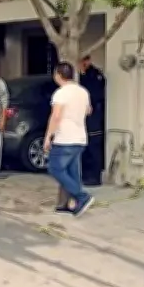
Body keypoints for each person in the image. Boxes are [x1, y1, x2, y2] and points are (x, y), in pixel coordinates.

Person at [44, 61, 95, 217]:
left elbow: (56, 116)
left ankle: (82, 196)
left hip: (64, 138)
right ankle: (69, 204)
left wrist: (48, 136)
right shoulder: (83, 92)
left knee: (55, 169)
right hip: (80, 137)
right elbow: (89, 110)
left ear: (58, 75)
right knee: (73, 172)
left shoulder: (61, 93)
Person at [79, 55, 106, 186]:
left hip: (94, 117)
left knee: (94, 147)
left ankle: (95, 177)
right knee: (86, 149)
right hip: (84, 119)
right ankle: (85, 175)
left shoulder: (95, 76)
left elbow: (96, 95)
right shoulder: (80, 76)